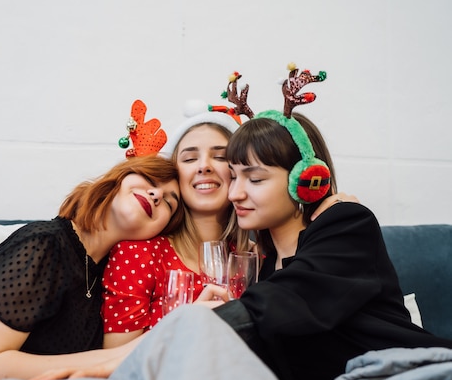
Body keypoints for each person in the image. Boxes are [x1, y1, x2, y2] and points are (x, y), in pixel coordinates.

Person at [212, 65, 452, 380]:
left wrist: (201, 326)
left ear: (306, 179)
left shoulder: (347, 225)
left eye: (255, 179)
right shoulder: (263, 272)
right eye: (233, 177)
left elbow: (295, 297)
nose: (235, 193)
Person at [102, 96, 353, 349]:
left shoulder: (259, 259)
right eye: (189, 159)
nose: (203, 166)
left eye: (220, 157)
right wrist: (185, 324)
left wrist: (329, 208)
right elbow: (115, 357)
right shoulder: (140, 253)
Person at [0, 152, 184, 380]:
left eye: (169, 203)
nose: (156, 194)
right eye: (150, 180)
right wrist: (117, 356)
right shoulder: (44, 244)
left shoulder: (111, 278)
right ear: (120, 178)